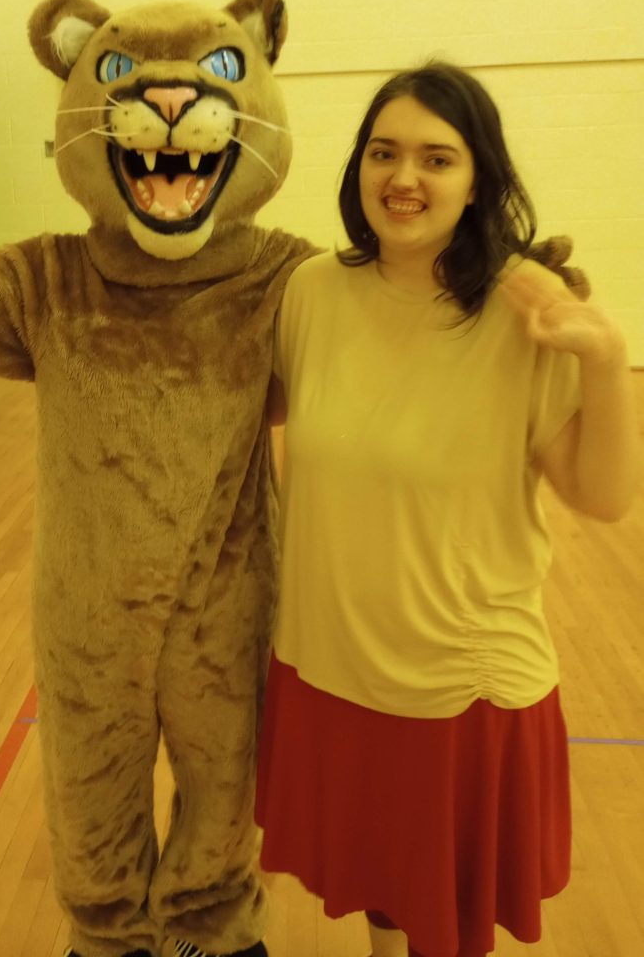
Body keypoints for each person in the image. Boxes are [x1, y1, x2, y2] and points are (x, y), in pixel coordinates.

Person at [254, 62, 640, 957]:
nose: (404, 178)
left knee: (445, 927)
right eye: (383, 153)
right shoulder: (311, 292)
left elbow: (604, 496)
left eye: (437, 158)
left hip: (455, 687)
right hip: (331, 661)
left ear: (477, 182)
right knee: (383, 901)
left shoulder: (522, 310)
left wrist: (605, 355)